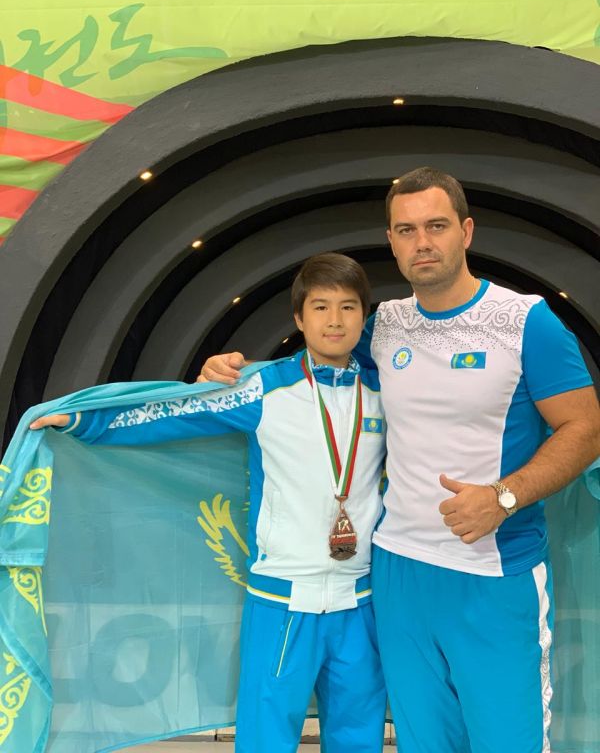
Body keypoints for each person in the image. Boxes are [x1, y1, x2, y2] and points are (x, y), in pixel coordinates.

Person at [199, 168, 600, 753]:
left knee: (507, 742)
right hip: (397, 572)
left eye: (436, 226)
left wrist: (503, 497)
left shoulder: (526, 322)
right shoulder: (385, 325)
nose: (422, 242)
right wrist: (232, 370)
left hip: (493, 572)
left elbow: (585, 428)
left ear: (466, 231)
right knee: (424, 742)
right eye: (406, 230)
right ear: (391, 241)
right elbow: (319, 363)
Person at [30, 253, 388, 753]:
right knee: (266, 738)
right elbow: (173, 413)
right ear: (299, 318)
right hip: (282, 599)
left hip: (360, 598)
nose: (335, 320)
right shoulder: (263, 388)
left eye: (348, 307)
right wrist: (86, 422)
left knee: (359, 737)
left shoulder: (387, 393)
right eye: (321, 307)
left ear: (363, 317)